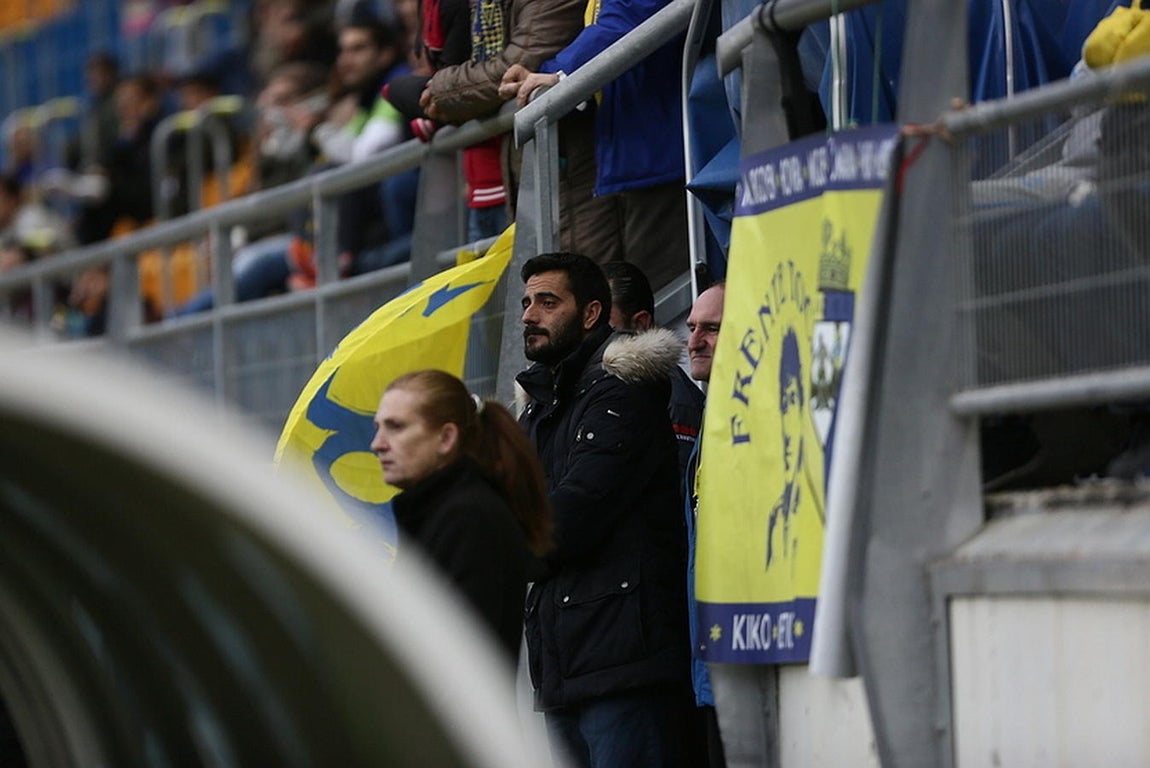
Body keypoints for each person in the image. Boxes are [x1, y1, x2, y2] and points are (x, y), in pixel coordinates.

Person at [515, 251, 690, 767]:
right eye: (526, 303)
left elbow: (568, 520)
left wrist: (504, 544)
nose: (529, 316)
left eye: (548, 302)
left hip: (624, 665)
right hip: (565, 666)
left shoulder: (621, 389)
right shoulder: (544, 403)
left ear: (591, 313)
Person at [499, 0, 689, 292]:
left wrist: (561, 73)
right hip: (639, 155)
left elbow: (627, 16)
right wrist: (555, 72)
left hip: (660, 157)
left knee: (665, 299)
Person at [370, 369, 552, 661]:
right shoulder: (438, 512)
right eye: (378, 427)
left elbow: (458, 652)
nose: (377, 444)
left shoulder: (468, 517)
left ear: (446, 438)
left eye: (396, 427)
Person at [415, 0, 615, 256]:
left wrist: (442, 90)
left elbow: (512, 69)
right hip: (524, 170)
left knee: (581, 270)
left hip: (572, 166)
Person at [681, 282, 727, 768]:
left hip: (745, 656)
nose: (694, 340)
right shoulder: (711, 416)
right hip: (711, 662)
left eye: (711, 328)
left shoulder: (751, 418)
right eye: (692, 327)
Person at [603, 260, 705, 476]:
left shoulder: (675, 400)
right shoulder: (588, 385)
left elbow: (678, 487)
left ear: (640, 324)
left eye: (602, 324)